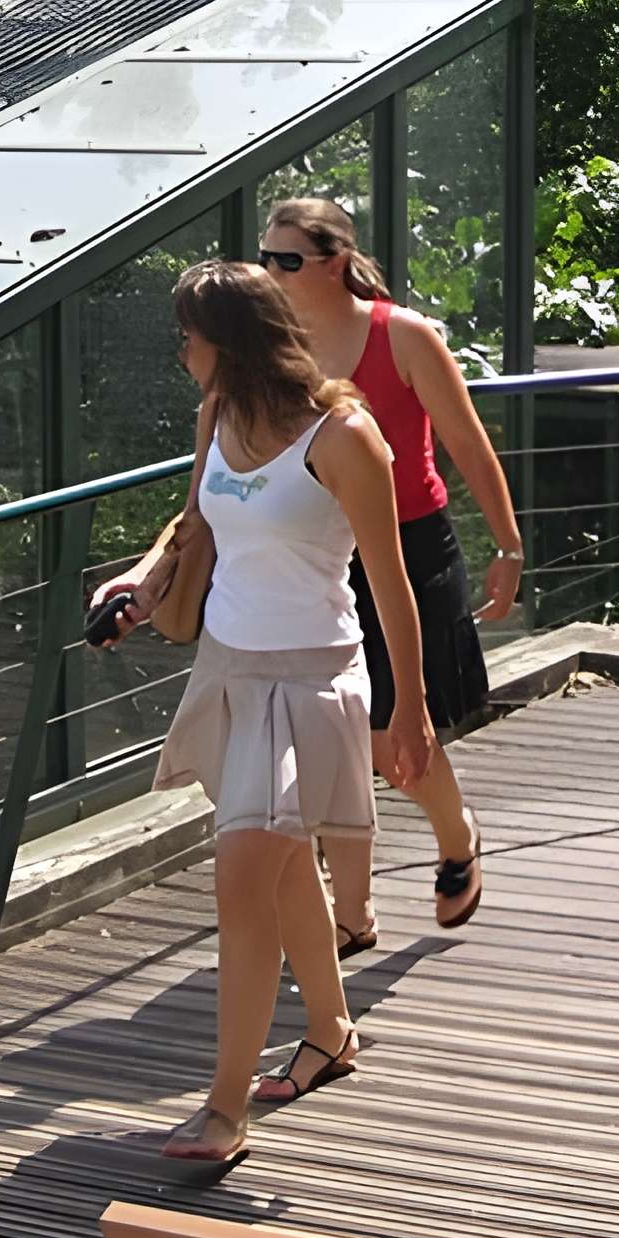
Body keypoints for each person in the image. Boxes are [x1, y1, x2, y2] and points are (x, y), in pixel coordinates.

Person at [123, 259, 434, 1165]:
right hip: (227, 671)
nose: (180, 348)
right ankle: (331, 1030)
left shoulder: (344, 438)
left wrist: (408, 712)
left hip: (309, 682)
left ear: (230, 341)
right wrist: (138, 586)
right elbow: (193, 528)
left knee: (243, 879)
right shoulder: (216, 416)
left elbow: (392, 584)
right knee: (284, 866)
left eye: (189, 334)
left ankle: (223, 1111)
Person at [257, 197, 522, 946]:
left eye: (286, 261)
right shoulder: (273, 346)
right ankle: (353, 914)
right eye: (265, 258)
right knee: (333, 736)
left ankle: (457, 837)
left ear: (333, 262)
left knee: (390, 737)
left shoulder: (400, 335)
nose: (270, 273)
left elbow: (468, 445)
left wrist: (508, 547)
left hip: (409, 546)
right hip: (318, 554)